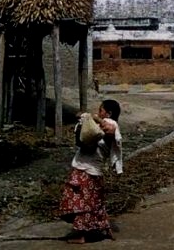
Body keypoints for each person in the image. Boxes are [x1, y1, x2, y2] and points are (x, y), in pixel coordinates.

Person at [59, 99, 123, 244]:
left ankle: (81, 235)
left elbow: (109, 129)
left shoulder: (111, 124)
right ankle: (105, 229)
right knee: (95, 202)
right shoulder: (107, 125)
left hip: (87, 170)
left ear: (108, 113)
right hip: (93, 170)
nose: (99, 112)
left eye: (101, 110)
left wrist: (92, 117)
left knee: (83, 203)